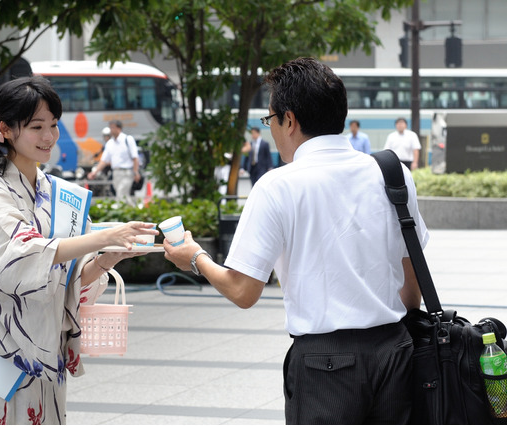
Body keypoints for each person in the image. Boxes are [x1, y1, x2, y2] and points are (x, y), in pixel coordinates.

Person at [163, 57, 428, 424]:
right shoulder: (392, 172)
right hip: (396, 350)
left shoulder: (277, 186)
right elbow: (410, 272)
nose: (271, 129)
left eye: (270, 119)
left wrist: (195, 258)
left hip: (325, 364)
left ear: (289, 120)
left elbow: (243, 291)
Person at [0, 76, 157, 424]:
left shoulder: (55, 190)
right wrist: (104, 236)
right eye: (37, 126)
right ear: (7, 130)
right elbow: (26, 254)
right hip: (4, 347)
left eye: (54, 125)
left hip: (48, 350)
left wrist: (108, 257)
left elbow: (67, 276)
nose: (49, 136)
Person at [87, 120, 141, 205]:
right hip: (116, 173)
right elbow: (104, 161)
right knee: (123, 195)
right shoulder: (110, 143)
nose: (111, 130)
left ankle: (122, 214)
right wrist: (95, 172)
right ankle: (133, 212)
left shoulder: (128, 139)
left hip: (127, 172)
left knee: (121, 194)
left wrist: (136, 172)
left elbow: (135, 157)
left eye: (112, 127)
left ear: (118, 128)